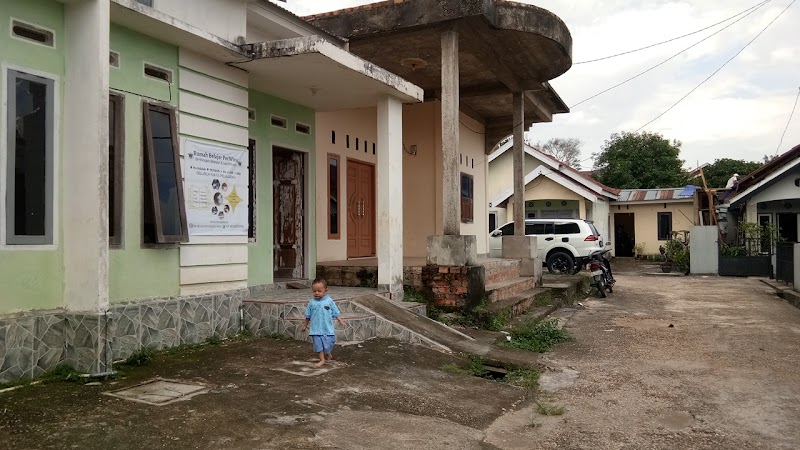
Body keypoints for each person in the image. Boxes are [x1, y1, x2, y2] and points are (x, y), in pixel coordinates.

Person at [302, 278, 347, 367]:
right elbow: (308, 316)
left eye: (319, 291)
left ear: (326, 290)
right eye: (314, 291)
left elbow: (335, 312)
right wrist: (305, 325)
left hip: (327, 328)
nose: (317, 293)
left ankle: (328, 353)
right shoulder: (311, 302)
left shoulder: (329, 301)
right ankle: (322, 359)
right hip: (315, 329)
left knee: (329, 343)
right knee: (318, 345)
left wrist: (341, 320)